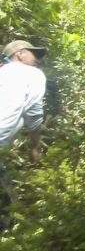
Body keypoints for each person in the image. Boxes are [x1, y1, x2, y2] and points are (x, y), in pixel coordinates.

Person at [0, 40, 47, 230]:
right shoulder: (32, 74)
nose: (37, 60)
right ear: (20, 54)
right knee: (10, 204)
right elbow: (34, 112)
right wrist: (34, 147)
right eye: (33, 54)